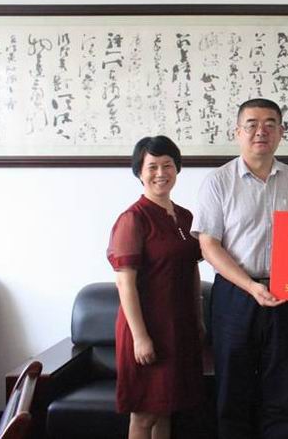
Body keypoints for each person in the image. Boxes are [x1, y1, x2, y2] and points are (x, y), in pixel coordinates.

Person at [192, 98, 288, 439]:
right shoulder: (218, 181)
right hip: (235, 294)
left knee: (281, 383)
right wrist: (250, 286)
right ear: (238, 132)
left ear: (281, 132)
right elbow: (209, 245)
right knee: (233, 384)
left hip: (286, 293)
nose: (261, 131)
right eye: (252, 124)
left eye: (270, 124)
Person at [107, 135, 204, 439]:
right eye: (152, 167)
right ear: (139, 172)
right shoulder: (133, 219)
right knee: (145, 413)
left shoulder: (185, 217)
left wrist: (198, 319)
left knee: (167, 407)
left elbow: (192, 270)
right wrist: (140, 338)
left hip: (180, 326)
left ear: (177, 169)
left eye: (167, 165)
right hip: (147, 328)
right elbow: (124, 282)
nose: (161, 173)